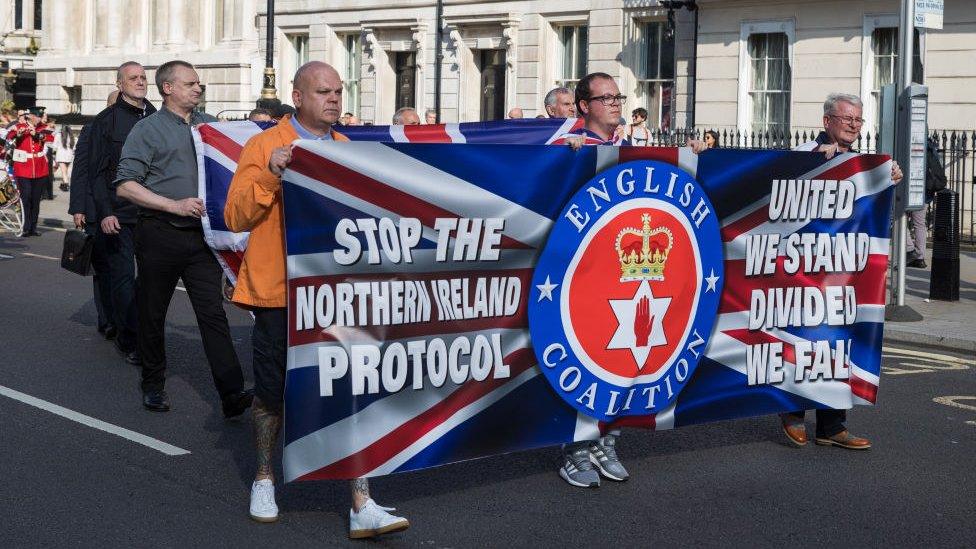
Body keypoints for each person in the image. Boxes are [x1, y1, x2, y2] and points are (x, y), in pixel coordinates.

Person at [225, 61, 409, 538]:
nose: (333, 99)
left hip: (338, 296)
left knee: (351, 392)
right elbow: (235, 216)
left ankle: (361, 501)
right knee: (273, 390)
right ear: (298, 95)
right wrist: (270, 173)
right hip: (279, 294)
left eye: (338, 91)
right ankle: (265, 480)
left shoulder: (350, 151)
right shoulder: (264, 145)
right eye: (324, 91)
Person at [114, 60, 252, 417]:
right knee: (152, 312)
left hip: (201, 239)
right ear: (168, 89)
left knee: (212, 314)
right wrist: (172, 205)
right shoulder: (148, 130)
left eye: (200, 84)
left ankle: (232, 392)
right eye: (190, 84)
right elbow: (126, 185)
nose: (198, 89)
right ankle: (153, 384)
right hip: (159, 234)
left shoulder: (209, 127)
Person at [782, 92, 902, 450]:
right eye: (847, 118)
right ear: (827, 121)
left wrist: (888, 180)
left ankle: (832, 425)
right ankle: (791, 411)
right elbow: (778, 204)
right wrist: (814, 168)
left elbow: (876, 218)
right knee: (803, 340)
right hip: (804, 267)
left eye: (858, 120)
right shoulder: (804, 153)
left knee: (838, 345)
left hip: (844, 270)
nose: (853, 125)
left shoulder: (865, 163)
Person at [555, 72, 632, 488]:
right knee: (584, 358)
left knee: (620, 358)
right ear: (585, 106)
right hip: (579, 275)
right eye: (606, 98)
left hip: (622, 275)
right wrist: (566, 160)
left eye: (618, 96)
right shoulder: (568, 144)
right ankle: (575, 448)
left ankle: (607, 438)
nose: (615, 103)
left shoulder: (628, 147)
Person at [89, 62, 158, 366]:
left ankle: (144, 331)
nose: (141, 82)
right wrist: (104, 212)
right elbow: (97, 173)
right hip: (119, 215)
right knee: (123, 278)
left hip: (154, 213)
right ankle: (129, 338)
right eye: (133, 78)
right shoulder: (106, 121)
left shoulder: (159, 117)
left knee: (152, 280)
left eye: (144, 77)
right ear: (120, 84)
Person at [68, 92, 118, 342]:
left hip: (124, 210)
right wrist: (78, 208)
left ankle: (124, 316)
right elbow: (80, 171)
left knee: (123, 269)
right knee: (104, 268)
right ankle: (107, 319)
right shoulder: (92, 129)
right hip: (95, 210)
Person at [7, 106, 54, 237]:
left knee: (35, 199)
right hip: (23, 168)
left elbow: (51, 139)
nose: (40, 119)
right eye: (38, 116)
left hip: (40, 169)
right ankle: (25, 226)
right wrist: (19, 133)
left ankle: (33, 227)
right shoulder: (19, 126)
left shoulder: (42, 127)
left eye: (40, 116)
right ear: (30, 116)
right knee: (26, 197)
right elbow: (9, 136)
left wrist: (37, 134)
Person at [54, 123, 76, 191]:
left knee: (63, 172)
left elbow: (55, 146)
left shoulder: (58, 135)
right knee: (65, 171)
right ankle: (63, 184)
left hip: (61, 155)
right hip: (69, 155)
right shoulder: (72, 136)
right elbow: (74, 147)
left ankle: (66, 184)